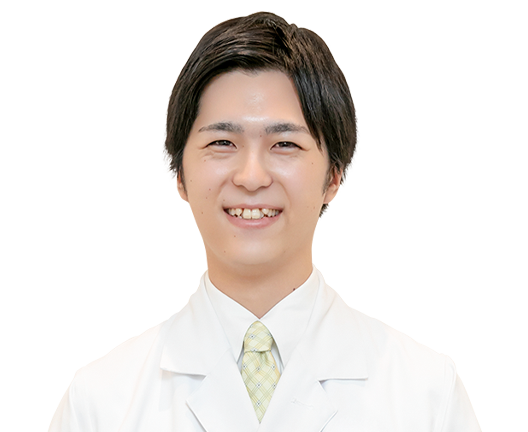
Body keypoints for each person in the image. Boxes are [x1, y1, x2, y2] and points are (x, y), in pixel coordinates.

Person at [50, 12, 480, 431]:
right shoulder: (102, 402)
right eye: (222, 142)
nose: (251, 177)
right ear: (179, 174)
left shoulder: (426, 394)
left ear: (334, 176)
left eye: (285, 144)